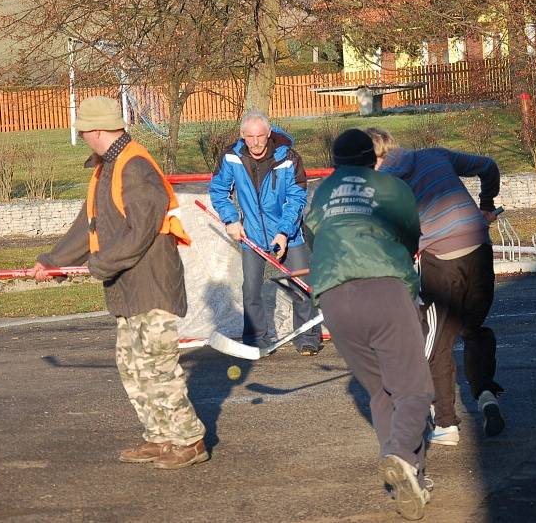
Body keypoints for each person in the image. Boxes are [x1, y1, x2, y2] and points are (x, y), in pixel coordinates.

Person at [32, 96, 207, 469]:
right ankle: (159, 437)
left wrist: (101, 264)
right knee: (132, 365)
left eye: (83, 132)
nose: (82, 138)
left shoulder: (135, 166)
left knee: (157, 365)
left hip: (152, 283)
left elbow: (141, 230)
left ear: (95, 131)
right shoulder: (105, 168)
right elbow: (89, 226)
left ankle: (189, 440)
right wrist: (52, 261)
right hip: (127, 285)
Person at [305, 129, 435, 521]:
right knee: (414, 389)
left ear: (336, 161)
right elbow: (411, 233)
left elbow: (314, 234)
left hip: (332, 296)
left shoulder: (322, 192)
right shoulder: (391, 186)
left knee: (380, 392)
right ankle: (398, 455)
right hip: (383, 287)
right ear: (372, 156)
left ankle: (411, 480)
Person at [368, 127, 505, 446]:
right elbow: (489, 166)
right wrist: (486, 204)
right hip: (480, 249)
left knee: (434, 340)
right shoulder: (433, 155)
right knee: (473, 327)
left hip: (442, 259)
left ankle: (445, 422)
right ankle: (486, 393)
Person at [208, 110, 321, 355]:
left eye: (260, 136)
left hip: (289, 234)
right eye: (250, 137)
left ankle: (307, 337)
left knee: (301, 286)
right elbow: (218, 190)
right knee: (250, 290)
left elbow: (296, 198)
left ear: (269, 134)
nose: (256, 142)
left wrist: (283, 232)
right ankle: (256, 339)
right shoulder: (231, 157)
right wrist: (231, 219)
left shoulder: (289, 158)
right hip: (251, 236)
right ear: (242, 136)